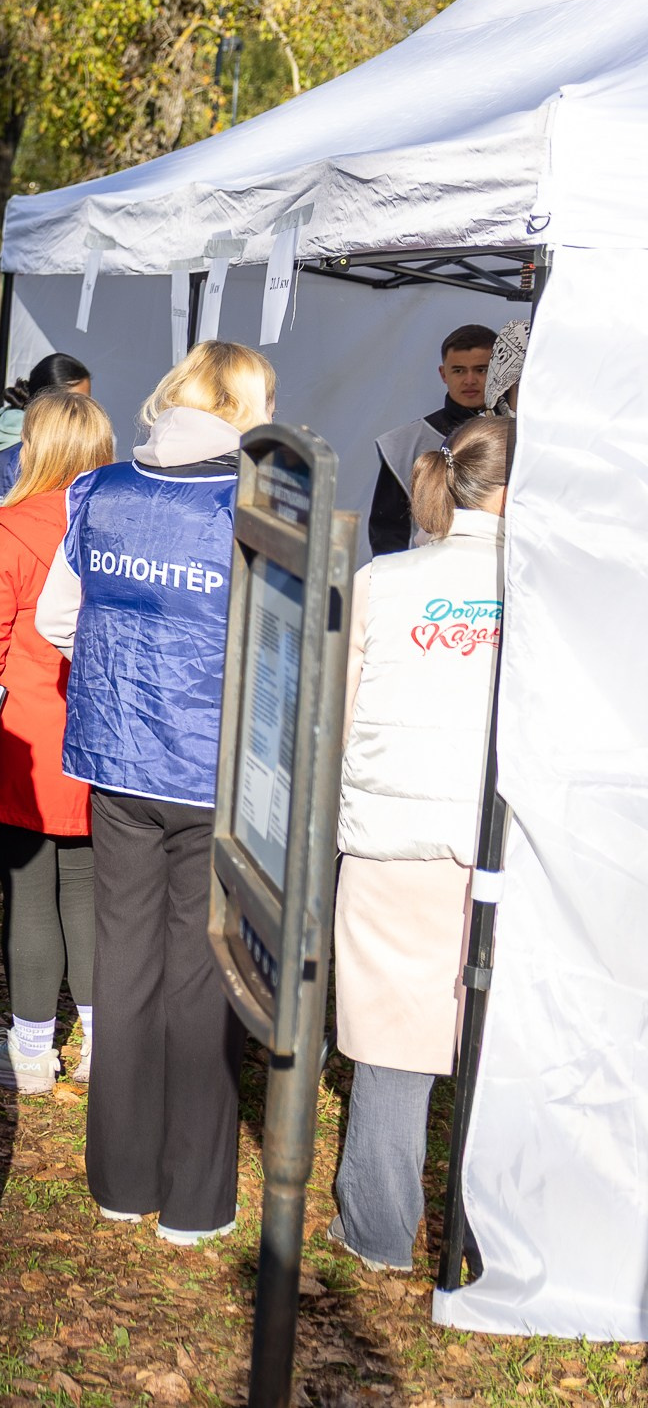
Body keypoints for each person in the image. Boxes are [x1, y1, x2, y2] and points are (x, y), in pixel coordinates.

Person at [37, 338, 276, 1246]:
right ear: (244, 405)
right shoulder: (253, 500)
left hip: (118, 758)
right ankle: (195, 1196)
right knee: (202, 966)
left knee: (125, 957)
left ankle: (122, 1178)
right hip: (216, 768)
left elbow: (62, 617)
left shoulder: (100, 490)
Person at [328, 415, 512, 1272]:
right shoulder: (541, 591)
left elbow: (339, 706)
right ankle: (491, 1239)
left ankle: (377, 1232)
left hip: (390, 839)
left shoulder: (384, 579)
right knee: (504, 1045)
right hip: (503, 850)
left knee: (396, 1044)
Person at [0, 391, 116, 1093]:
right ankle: (102, 1048)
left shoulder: (4, 529)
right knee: (84, 888)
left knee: (27, 888)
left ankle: (30, 1051)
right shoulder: (118, 529)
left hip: (19, 734)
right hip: (99, 728)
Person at [367, 323, 494, 556]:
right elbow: (387, 536)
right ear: (443, 374)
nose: (469, 380)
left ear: (498, 370)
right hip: (427, 579)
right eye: (458, 370)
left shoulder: (521, 437)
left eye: (481, 370)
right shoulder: (403, 444)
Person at [0, 353, 92, 516]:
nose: (87, 413)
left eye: (88, 402)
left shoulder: (47, 449)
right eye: (77, 403)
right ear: (47, 402)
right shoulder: (9, 463)